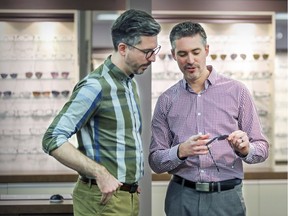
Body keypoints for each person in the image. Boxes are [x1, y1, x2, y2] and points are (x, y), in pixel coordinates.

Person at [42, 9, 161, 216]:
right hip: (102, 200)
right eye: (147, 52)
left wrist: (128, 184)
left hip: (127, 196)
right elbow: (52, 138)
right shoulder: (94, 86)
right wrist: (100, 173)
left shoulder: (128, 84)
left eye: (154, 50)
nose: (152, 59)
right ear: (123, 48)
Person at [149, 21, 269, 216]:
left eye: (195, 52)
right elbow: (155, 161)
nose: (190, 60)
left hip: (226, 198)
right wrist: (180, 151)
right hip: (181, 198)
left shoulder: (237, 92)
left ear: (206, 50)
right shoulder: (166, 100)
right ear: (173, 55)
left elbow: (262, 149)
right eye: (182, 54)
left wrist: (247, 149)